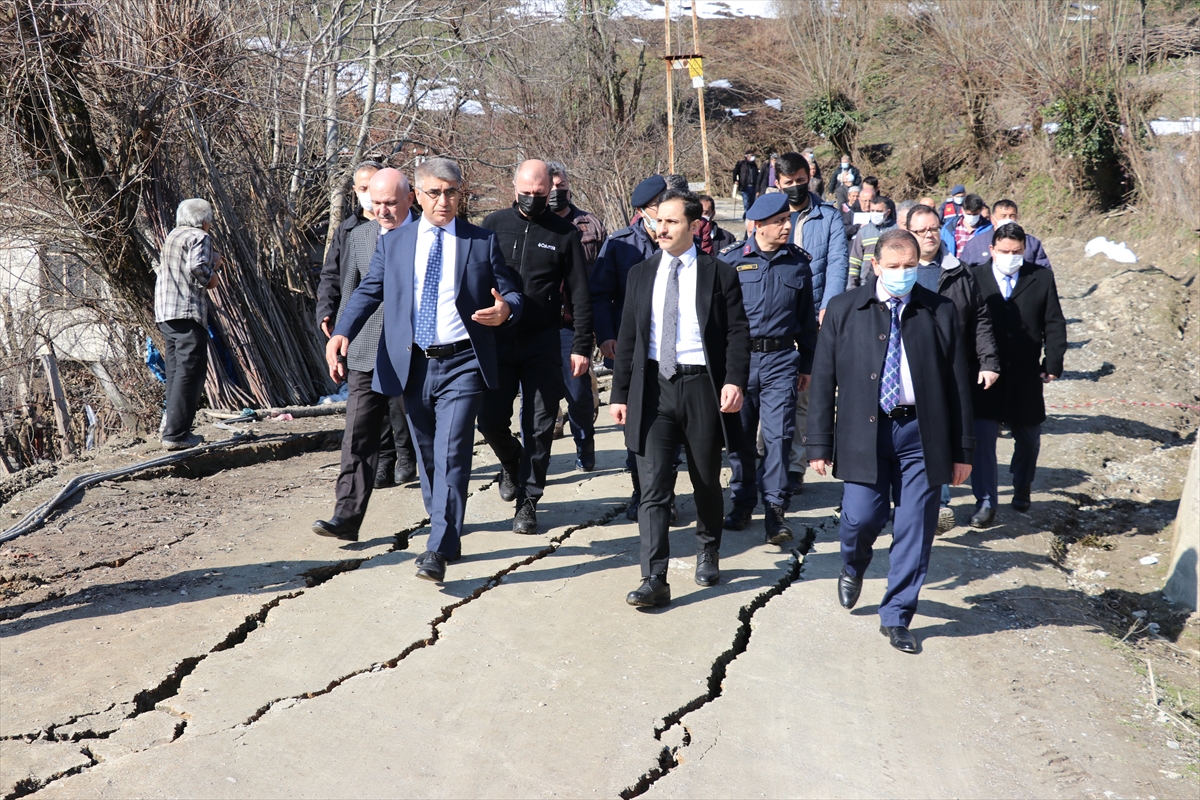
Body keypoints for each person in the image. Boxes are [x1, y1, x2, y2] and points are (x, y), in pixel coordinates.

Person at [327, 158, 523, 583]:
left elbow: (510, 290)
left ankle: (435, 547)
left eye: (452, 192)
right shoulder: (395, 242)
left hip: (464, 361)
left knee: (453, 450)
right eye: (434, 192)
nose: (444, 201)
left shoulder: (480, 241)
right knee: (428, 453)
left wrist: (506, 308)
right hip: (414, 362)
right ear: (417, 196)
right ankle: (447, 534)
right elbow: (369, 290)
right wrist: (342, 332)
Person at [806, 228, 975, 654]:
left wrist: (962, 450)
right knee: (861, 519)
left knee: (915, 527)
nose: (902, 274)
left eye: (910, 267)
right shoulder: (845, 309)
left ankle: (897, 614)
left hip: (922, 435)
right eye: (893, 266)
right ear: (876, 266)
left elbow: (958, 386)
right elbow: (823, 381)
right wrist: (818, 444)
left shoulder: (940, 311)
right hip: (865, 431)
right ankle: (853, 563)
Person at [610, 189, 751, 608]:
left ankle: (708, 547)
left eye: (671, 221)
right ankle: (654, 577)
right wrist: (619, 395)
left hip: (701, 387)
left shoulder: (719, 273)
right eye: (657, 220)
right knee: (653, 487)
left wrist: (734, 379)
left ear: (694, 226)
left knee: (705, 478)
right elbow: (630, 338)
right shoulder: (641, 273)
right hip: (652, 388)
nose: (661, 228)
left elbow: (737, 332)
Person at [478, 160, 592, 535]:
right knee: (490, 420)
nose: (531, 199)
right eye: (525, 193)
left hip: (542, 341)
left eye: (539, 194)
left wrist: (581, 346)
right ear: (514, 188)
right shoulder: (492, 226)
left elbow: (580, 294)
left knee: (540, 425)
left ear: (550, 191)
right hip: (498, 341)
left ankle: (528, 501)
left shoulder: (565, 233)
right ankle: (512, 462)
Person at [312, 169, 420, 542]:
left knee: (426, 435)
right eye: (376, 204)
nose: (383, 211)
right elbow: (351, 293)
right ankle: (346, 517)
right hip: (366, 350)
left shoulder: (429, 235)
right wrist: (340, 339)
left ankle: (443, 518)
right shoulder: (358, 237)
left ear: (410, 198)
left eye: (390, 203)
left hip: (416, 352)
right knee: (357, 437)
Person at [720, 194, 817, 543]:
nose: (787, 226)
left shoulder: (798, 264)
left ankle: (775, 511)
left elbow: (807, 322)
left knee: (779, 437)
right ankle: (743, 501)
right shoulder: (730, 262)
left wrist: (806, 363)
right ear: (758, 226)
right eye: (779, 222)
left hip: (781, 361)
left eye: (788, 220)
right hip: (740, 362)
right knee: (740, 437)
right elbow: (718, 321)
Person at [907, 203, 1001, 532]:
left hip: (953, 367)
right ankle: (933, 502)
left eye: (933, 229)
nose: (928, 236)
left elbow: (981, 321)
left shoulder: (960, 272)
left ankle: (944, 502)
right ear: (908, 234)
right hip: (909, 369)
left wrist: (988, 361)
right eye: (920, 231)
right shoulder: (900, 271)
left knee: (949, 434)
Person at [591, 175, 678, 523]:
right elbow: (600, 295)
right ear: (643, 211)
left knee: (672, 425)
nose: (664, 212)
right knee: (635, 424)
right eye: (657, 205)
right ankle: (641, 491)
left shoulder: (680, 238)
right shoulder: (619, 244)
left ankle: (666, 494)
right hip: (632, 351)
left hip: (673, 350)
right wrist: (605, 336)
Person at [969, 223, 1066, 527]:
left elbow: (1053, 323)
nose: (1011, 257)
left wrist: (1052, 363)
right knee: (983, 440)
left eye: (1017, 252)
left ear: (1025, 250)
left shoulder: (1040, 278)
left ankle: (1022, 485)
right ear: (992, 250)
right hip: (985, 374)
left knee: (1029, 437)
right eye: (1004, 252)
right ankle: (985, 501)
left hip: (1025, 373)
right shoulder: (974, 278)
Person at [768, 152, 850, 494]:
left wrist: (828, 307)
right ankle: (768, 458)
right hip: (777, 316)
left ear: (809, 177)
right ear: (778, 184)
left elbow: (837, 264)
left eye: (801, 181)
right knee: (771, 392)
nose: (796, 187)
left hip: (814, 314)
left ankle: (796, 463)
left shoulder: (828, 217)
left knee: (806, 392)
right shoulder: (767, 214)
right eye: (788, 183)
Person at [546, 160, 607, 471]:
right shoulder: (532, 225)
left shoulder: (589, 225)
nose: (558, 191)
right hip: (539, 325)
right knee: (536, 400)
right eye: (552, 186)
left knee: (579, 393)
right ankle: (535, 457)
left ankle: (585, 443)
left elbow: (602, 276)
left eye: (562, 185)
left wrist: (597, 327)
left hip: (574, 323)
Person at [155, 198, 223, 450]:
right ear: (204, 221)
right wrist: (213, 271)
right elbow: (196, 267)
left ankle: (169, 427)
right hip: (186, 311)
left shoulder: (173, 235)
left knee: (175, 370)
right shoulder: (199, 237)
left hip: (165, 312)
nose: (210, 226)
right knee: (190, 371)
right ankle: (177, 435)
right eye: (210, 222)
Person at [958, 199, 1052, 269]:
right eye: (1003, 216)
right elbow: (963, 272)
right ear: (993, 219)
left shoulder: (1032, 243)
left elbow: (1044, 272)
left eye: (1012, 216)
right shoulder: (976, 244)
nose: (1008, 220)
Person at [847, 194, 896, 287]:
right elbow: (855, 261)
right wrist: (852, 286)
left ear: (887, 212)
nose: (875, 214)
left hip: (891, 281)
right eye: (872, 211)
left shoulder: (897, 230)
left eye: (879, 211)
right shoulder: (863, 232)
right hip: (866, 283)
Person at [940, 193, 993, 258]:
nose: (971, 217)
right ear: (962, 209)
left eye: (975, 214)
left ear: (981, 210)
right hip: (955, 266)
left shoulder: (989, 229)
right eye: (968, 214)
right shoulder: (948, 228)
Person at [732, 150, 759, 219]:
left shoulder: (754, 165)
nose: (752, 157)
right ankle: (748, 217)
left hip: (753, 186)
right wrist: (735, 180)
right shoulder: (741, 164)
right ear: (747, 156)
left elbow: (757, 175)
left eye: (753, 155)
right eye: (751, 155)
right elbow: (735, 171)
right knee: (746, 203)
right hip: (745, 186)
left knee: (752, 203)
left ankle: (746, 215)